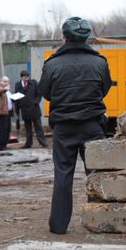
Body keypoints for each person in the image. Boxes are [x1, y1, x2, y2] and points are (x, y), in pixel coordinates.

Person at [38, 17, 112, 235]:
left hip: (64, 127)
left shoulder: (52, 64)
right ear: (88, 37)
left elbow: (45, 92)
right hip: (93, 126)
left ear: (64, 38)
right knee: (96, 175)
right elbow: (104, 89)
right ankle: (98, 222)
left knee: (63, 175)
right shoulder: (100, 62)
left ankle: (59, 225)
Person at [14, 70, 47, 148]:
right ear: (21, 77)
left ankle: (42, 142)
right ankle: (28, 143)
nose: (26, 78)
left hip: (34, 109)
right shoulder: (18, 85)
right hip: (24, 109)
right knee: (28, 128)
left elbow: (39, 94)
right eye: (25, 77)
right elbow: (17, 97)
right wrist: (17, 110)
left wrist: (36, 102)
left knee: (38, 127)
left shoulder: (33, 83)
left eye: (27, 76)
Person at [0, 76, 12, 151]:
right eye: (5, 81)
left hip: (8, 112)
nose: (6, 83)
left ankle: (5, 144)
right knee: (3, 129)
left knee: (8, 129)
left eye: (7, 81)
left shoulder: (8, 91)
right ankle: (1, 146)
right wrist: (5, 89)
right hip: (0, 112)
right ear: (1, 81)